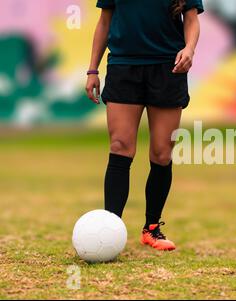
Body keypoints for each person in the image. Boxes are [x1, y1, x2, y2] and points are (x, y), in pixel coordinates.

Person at [85, 0, 203, 251]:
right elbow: (105, 21)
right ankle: (110, 228)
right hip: (124, 66)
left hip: (168, 67)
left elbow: (191, 19)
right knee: (120, 146)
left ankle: (151, 229)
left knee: (162, 153)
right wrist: (92, 69)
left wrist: (189, 49)